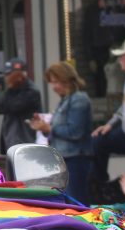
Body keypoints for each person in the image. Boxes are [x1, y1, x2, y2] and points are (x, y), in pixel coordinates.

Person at [30, 62, 92, 203]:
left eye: (56, 82)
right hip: (65, 159)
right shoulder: (65, 100)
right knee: (70, 201)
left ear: (66, 79)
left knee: (77, 202)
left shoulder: (79, 99)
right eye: (52, 82)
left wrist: (49, 128)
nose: (53, 87)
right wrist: (44, 127)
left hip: (76, 159)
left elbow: (76, 132)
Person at [91, 36, 125, 187]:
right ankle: (101, 184)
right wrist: (110, 124)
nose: (119, 60)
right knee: (99, 141)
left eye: (123, 56)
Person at [0, 60, 41, 153]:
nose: (5, 78)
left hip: (25, 144)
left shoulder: (31, 91)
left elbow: (8, 107)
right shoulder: (12, 90)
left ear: (19, 75)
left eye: (8, 74)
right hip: (10, 142)